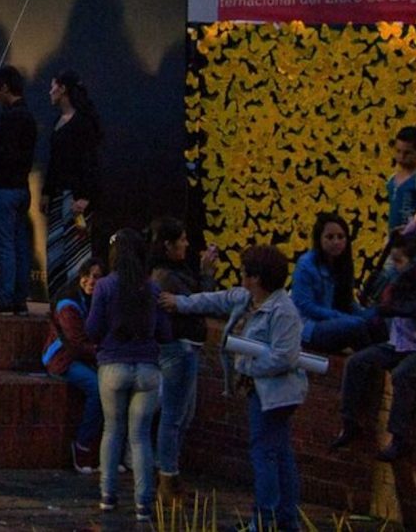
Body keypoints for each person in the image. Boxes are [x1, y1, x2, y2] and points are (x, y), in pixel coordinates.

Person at [162, 245, 307, 532]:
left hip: (276, 394)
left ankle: (265, 519)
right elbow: (215, 300)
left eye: (245, 272)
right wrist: (179, 302)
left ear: (257, 278)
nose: (241, 276)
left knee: (265, 453)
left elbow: (284, 356)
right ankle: (286, 519)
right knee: (278, 452)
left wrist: (246, 367)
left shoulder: (283, 311)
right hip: (262, 390)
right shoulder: (246, 300)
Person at [85, 227, 170, 522]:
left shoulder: (106, 287)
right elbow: (164, 332)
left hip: (113, 364)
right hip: (147, 368)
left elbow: (92, 328)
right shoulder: (152, 289)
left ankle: (108, 496)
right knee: (141, 437)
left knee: (112, 430)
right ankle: (143, 504)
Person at [332, 229, 416, 462]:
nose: (394, 267)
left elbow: (411, 308)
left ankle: (398, 438)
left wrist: (389, 307)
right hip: (398, 343)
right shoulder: (398, 283)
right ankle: (350, 421)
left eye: (399, 262)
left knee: (403, 375)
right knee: (357, 362)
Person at [148, 216, 218, 504]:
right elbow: (201, 303)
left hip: (186, 347)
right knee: (174, 417)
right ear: (168, 244)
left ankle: (168, 474)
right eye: (183, 240)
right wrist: (207, 275)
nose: (187, 245)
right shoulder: (166, 277)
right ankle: (167, 478)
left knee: (182, 416)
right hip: (178, 348)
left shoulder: (176, 272)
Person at [0, 65, 38, 313]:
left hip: (3, 188)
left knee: (4, 245)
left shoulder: (10, 116)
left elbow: (3, 151)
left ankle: (4, 297)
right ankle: (20, 298)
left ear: (5, 88)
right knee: (20, 245)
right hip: (21, 189)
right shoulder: (28, 115)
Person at [42, 258, 103, 474]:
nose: (92, 281)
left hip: (84, 357)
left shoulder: (93, 300)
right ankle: (82, 445)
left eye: (98, 277)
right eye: (88, 276)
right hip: (62, 359)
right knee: (97, 389)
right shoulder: (68, 304)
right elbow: (76, 343)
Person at [44, 70, 101, 302]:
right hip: (58, 196)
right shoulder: (59, 121)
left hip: (75, 197)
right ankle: (57, 300)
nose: (50, 92)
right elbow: (54, 161)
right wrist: (47, 191)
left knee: (76, 251)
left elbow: (89, 162)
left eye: (52, 87)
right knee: (56, 251)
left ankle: (76, 302)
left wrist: (85, 196)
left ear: (63, 89)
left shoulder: (83, 123)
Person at [292, 212, 375, 354]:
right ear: (319, 239)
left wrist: (365, 313)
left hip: (337, 319)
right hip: (309, 327)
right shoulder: (306, 264)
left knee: (376, 319)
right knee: (356, 326)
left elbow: (347, 302)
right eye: (330, 237)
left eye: (341, 237)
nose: (336, 242)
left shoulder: (344, 263)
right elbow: (305, 306)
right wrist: (339, 316)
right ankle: (370, 367)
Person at [387, 127, 416, 232]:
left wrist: (412, 225)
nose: (401, 156)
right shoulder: (392, 179)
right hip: (395, 239)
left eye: (407, 153)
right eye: (398, 151)